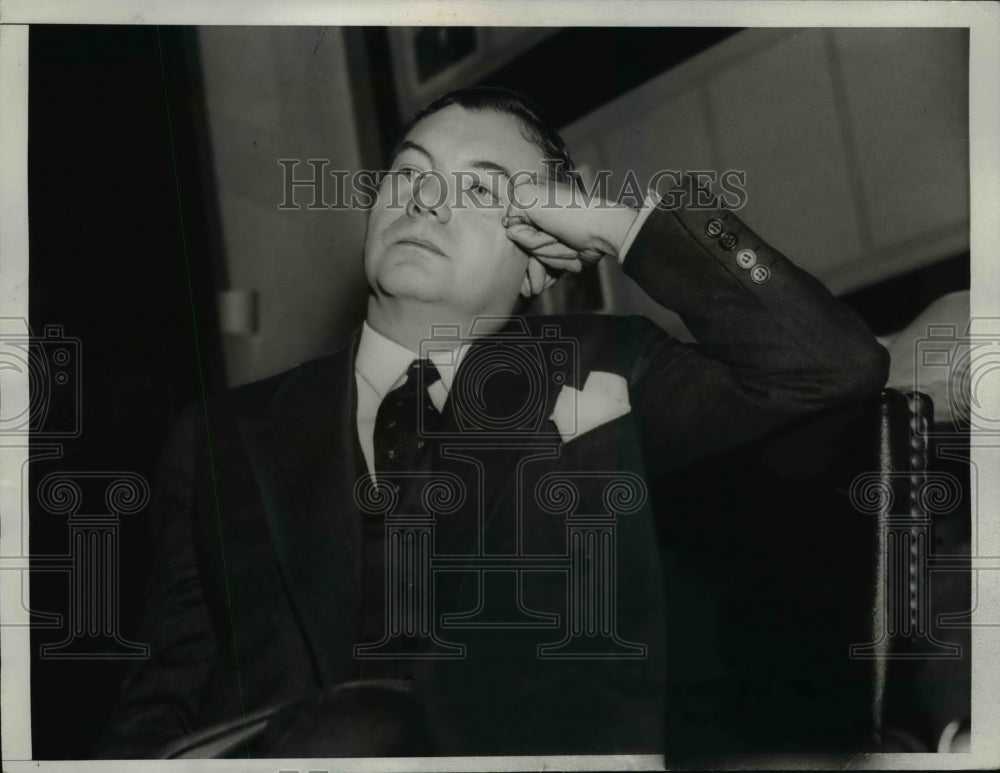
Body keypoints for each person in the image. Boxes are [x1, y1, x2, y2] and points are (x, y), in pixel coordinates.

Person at [95, 87, 889, 758]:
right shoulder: (221, 435)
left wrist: (623, 228)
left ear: (541, 258)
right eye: (408, 173)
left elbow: (831, 366)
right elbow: (159, 707)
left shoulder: (612, 361)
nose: (426, 198)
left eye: (481, 190)